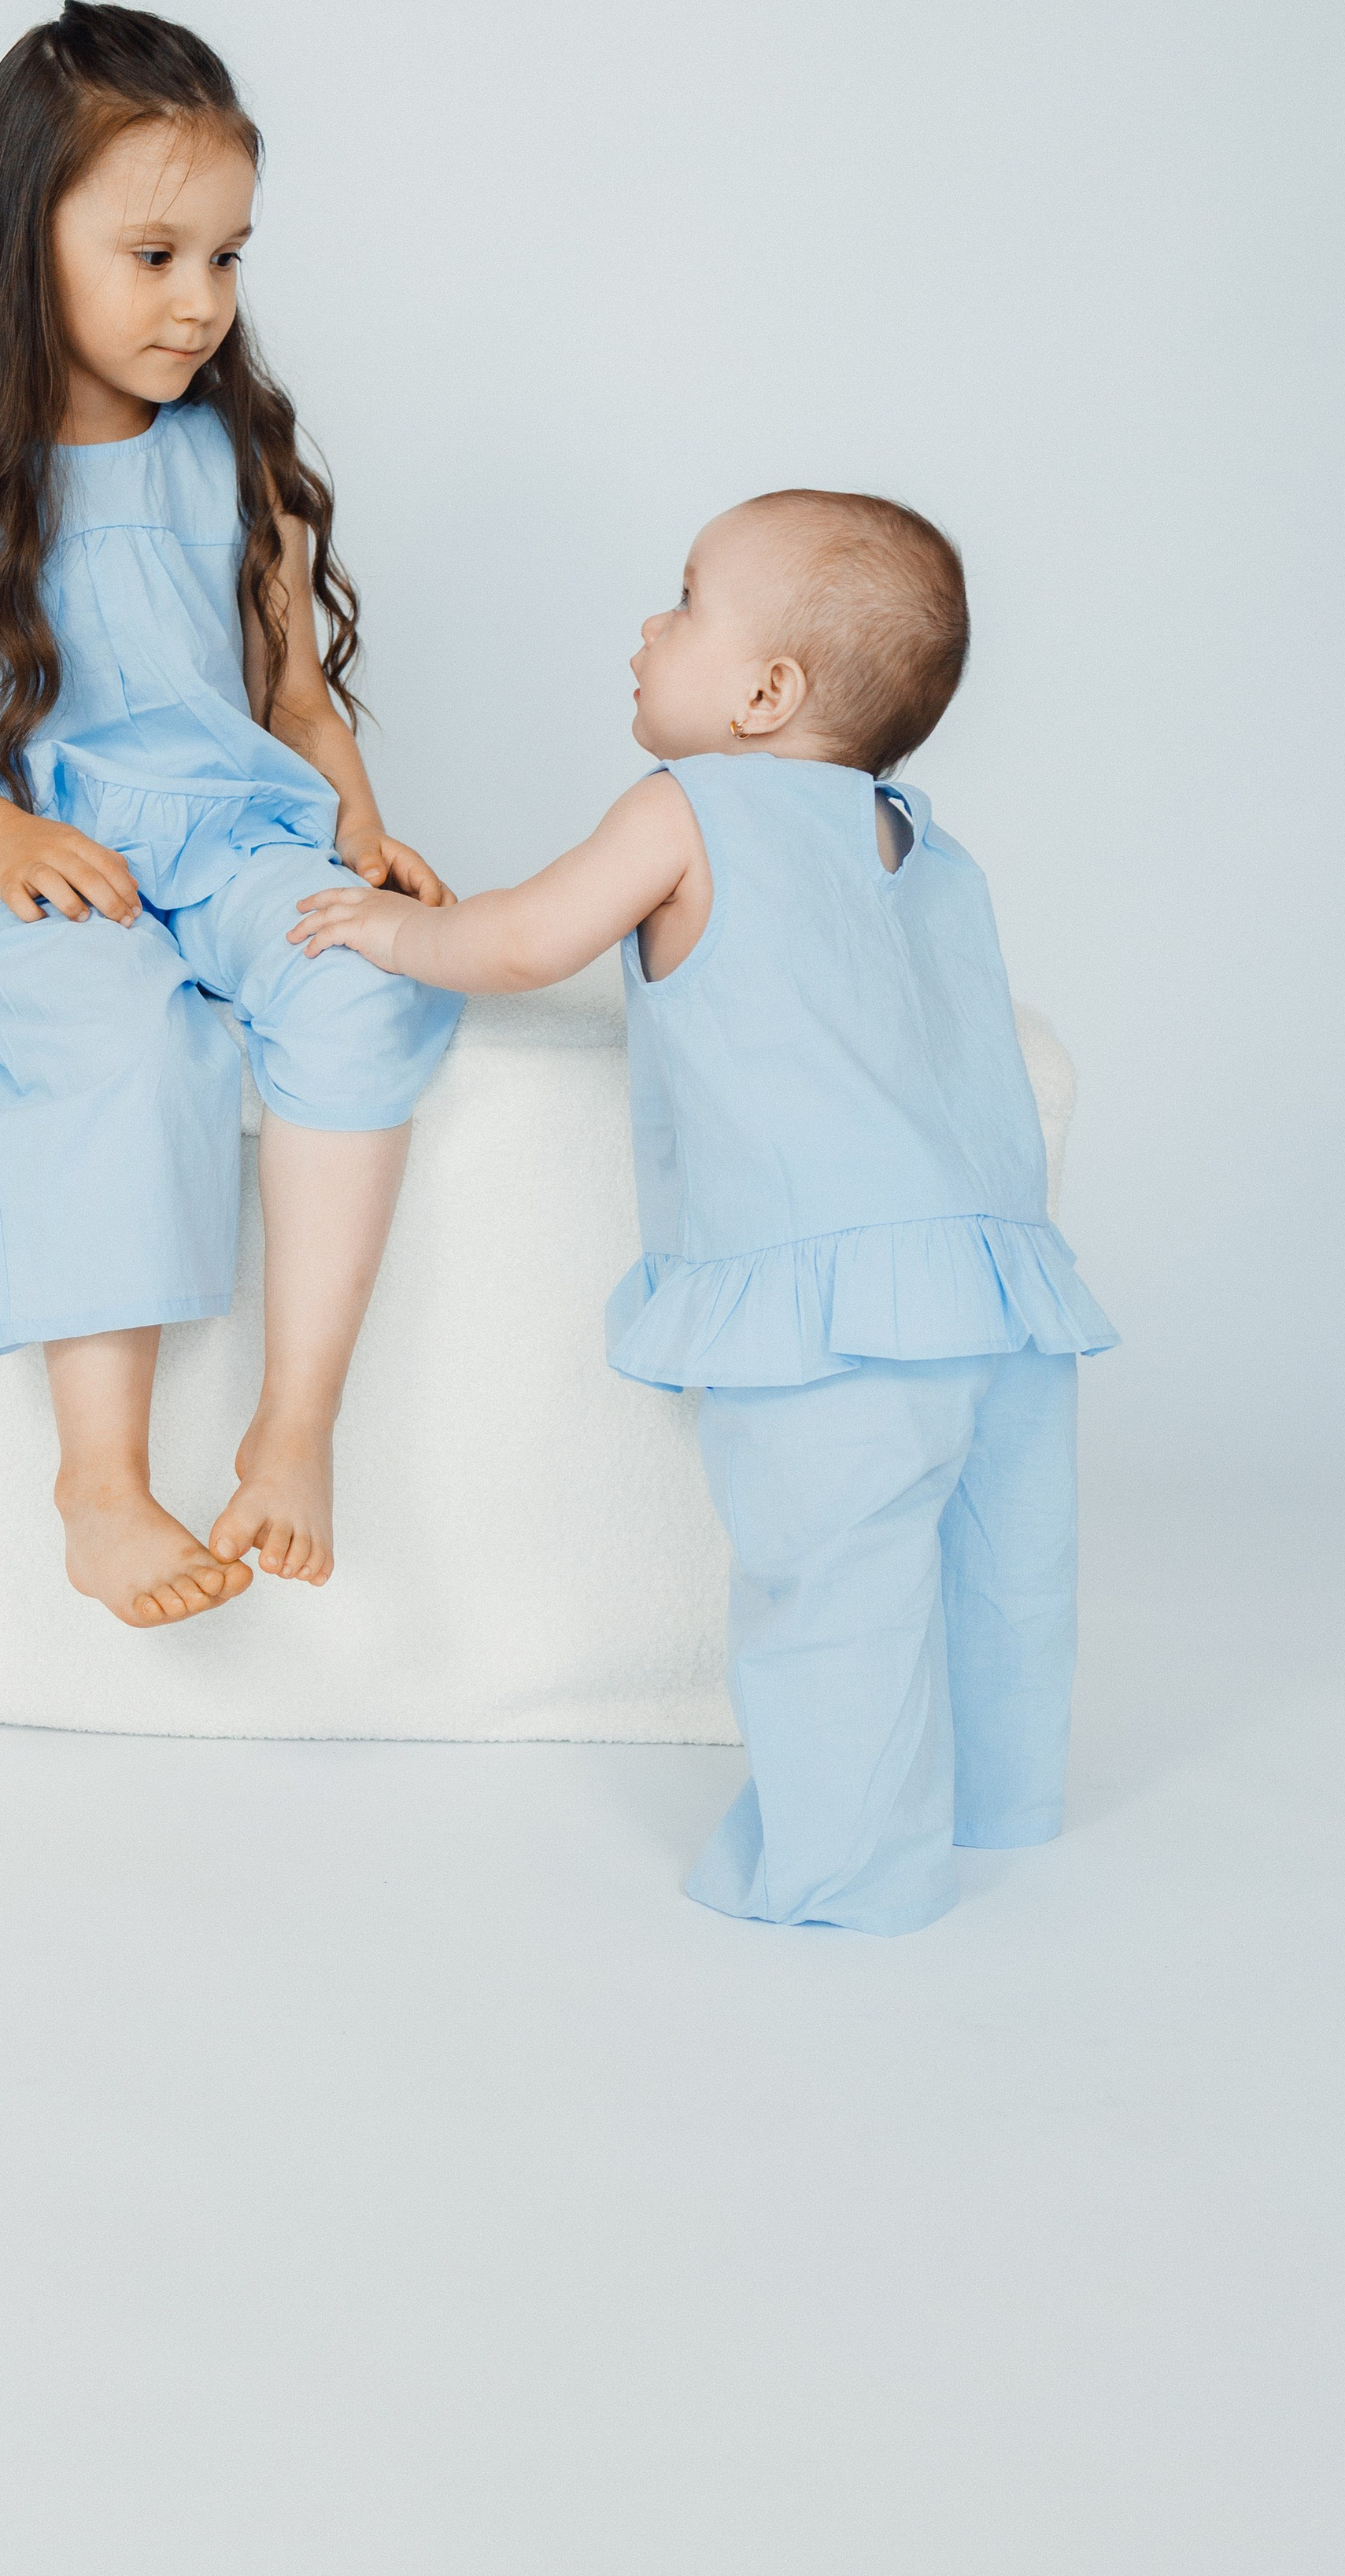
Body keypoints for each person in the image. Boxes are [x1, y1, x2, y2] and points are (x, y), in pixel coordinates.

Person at [291, 491, 1116, 1932]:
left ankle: (848, 1879)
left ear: (765, 691)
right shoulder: (918, 843)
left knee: (837, 1587)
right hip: (1001, 1286)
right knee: (1001, 1562)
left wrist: (393, 928)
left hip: (835, 1302)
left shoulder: (690, 807)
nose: (647, 625)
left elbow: (532, 938)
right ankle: (999, 1799)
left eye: (681, 600)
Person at [0, 2, 460, 1632]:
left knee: (363, 973)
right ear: (19, 240)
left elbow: (293, 704)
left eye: (228, 259)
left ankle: (293, 1419)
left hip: (232, 834)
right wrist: (1, 843)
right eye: (155, 253)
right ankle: (99, 1480)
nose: (201, 303)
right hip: (45, 860)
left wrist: (359, 840)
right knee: (118, 1035)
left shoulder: (231, 452)